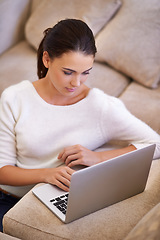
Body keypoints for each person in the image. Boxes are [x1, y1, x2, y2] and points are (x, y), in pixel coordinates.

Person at [0, 19, 160, 232]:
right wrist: (46, 174)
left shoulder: (101, 106)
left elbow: (155, 143)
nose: (76, 83)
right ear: (47, 59)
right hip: (7, 197)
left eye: (85, 72)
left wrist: (98, 158)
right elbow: (3, 170)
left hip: (56, 199)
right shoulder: (14, 98)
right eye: (68, 72)